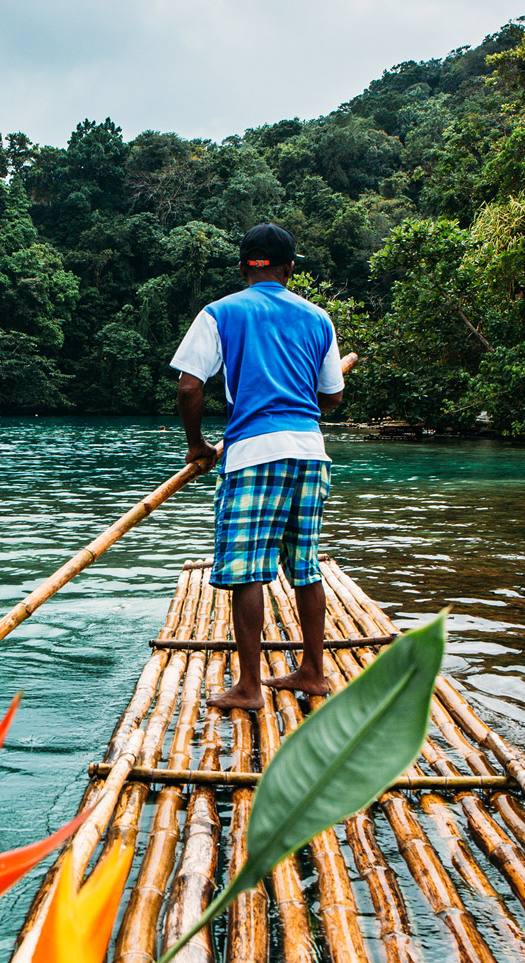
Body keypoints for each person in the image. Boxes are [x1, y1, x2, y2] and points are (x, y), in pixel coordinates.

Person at [170, 223, 350, 711]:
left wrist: (197, 445)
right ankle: (312, 672)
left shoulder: (221, 312)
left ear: (245, 266)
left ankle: (249, 687)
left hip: (253, 454)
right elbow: (332, 396)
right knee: (305, 567)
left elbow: (190, 387)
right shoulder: (318, 318)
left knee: (248, 572)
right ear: (290, 268)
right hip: (310, 454)